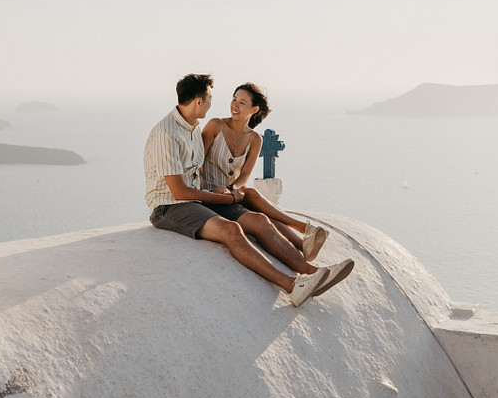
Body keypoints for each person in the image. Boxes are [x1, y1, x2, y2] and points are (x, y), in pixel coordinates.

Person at [143, 73, 353, 307]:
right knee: (231, 230)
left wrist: (226, 194)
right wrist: (222, 198)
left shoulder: (192, 127)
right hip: (169, 206)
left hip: (198, 201)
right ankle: (292, 286)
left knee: (260, 221)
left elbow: (198, 176)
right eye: (210, 98)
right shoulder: (168, 133)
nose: (216, 103)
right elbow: (179, 192)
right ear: (198, 101)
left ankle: (311, 271)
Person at [200, 83, 331, 263]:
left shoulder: (255, 139)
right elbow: (197, 162)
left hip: (232, 193)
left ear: (254, 109)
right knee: (254, 200)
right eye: (234, 99)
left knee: (257, 204)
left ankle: (303, 245)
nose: (235, 105)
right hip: (208, 195)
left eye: (242, 102)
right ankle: (304, 229)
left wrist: (231, 188)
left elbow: (245, 174)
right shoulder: (215, 125)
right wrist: (218, 191)